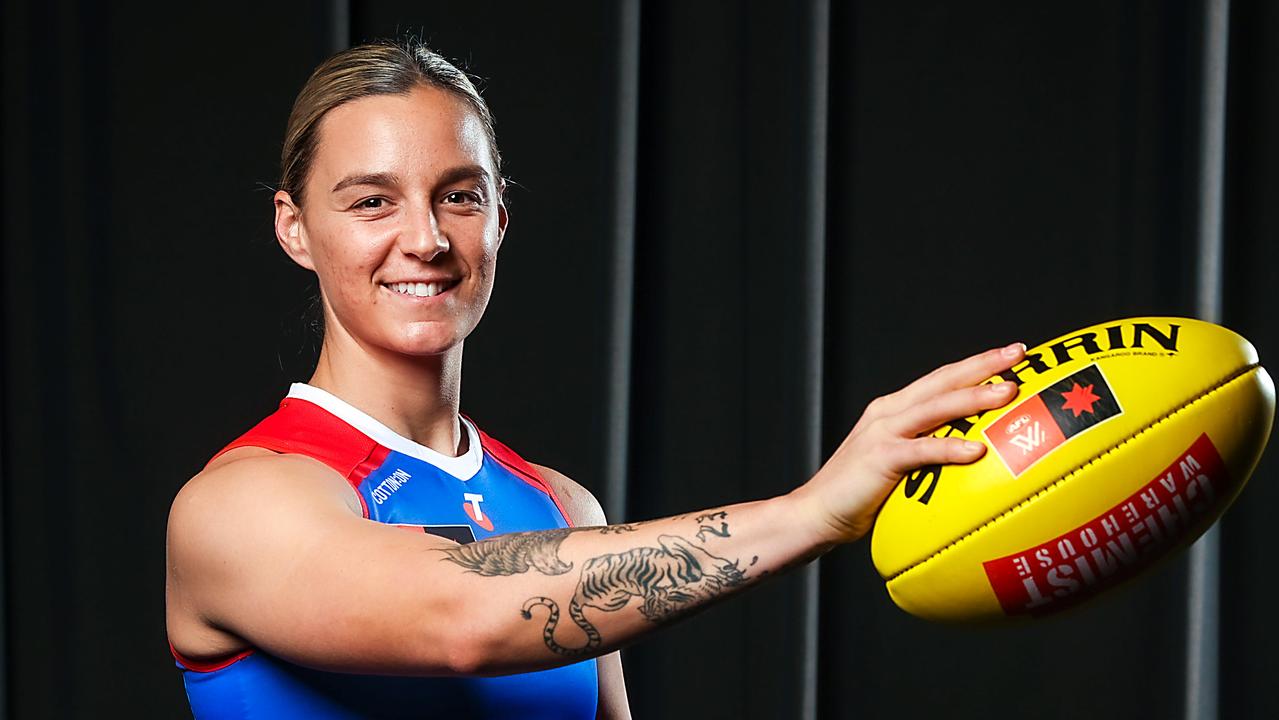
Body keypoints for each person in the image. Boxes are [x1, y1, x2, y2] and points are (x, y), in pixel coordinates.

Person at [164, 39, 1026, 719]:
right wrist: (810, 511)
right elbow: (462, 617)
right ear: (296, 229)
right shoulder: (239, 506)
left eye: (459, 196)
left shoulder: (562, 509)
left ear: (499, 217)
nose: (424, 239)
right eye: (371, 202)